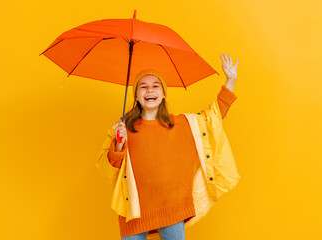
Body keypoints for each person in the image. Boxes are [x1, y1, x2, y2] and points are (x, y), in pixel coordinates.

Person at [97, 53, 240, 240]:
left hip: (173, 209)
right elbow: (110, 170)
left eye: (155, 86)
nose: (150, 90)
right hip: (134, 211)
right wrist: (119, 143)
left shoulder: (182, 124)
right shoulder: (124, 128)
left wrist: (231, 81)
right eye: (143, 87)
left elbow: (213, 118)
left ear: (163, 94)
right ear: (136, 96)